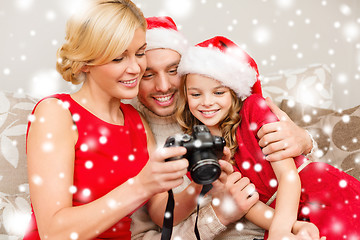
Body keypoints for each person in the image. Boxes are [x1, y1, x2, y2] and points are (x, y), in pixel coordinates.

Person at [130, 16, 324, 240]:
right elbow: (154, 225)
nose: (163, 86)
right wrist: (218, 210)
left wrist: (305, 140)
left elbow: (288, 167)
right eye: (148, 74)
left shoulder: (227, 111)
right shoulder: (135, 131)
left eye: (173, 70)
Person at [23, 1, 199, 239]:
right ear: (85, 62)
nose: (136, 68)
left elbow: (160, 211)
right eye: (118, 58)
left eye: (139, 53)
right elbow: (54, 232)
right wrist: (140, 186)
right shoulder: (56, 113)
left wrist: (200, 185)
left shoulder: (136, 121)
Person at [176, 35, 360, 240]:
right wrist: (292, 228)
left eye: (218, 92)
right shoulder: (200, 150)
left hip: (320, 191)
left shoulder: (254, 109)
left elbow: (288, 177)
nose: (207, 102)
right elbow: (247, 204)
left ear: (234, 93)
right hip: (284, 216)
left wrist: (280, 230)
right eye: (196, 94)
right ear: (185, 95)